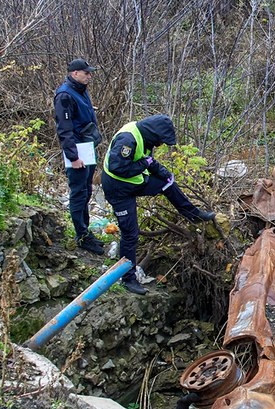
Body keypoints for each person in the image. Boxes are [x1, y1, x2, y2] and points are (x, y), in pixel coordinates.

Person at [101, 114, 215, 295]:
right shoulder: (128, 140)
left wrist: (163, 172)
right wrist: (143, 164)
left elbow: (148, 161)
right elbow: (117, 167)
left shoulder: (146, 138)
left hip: (134, 181)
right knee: (130, 233)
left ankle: (192, 214)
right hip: (117, 188)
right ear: (154, 134)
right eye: (160, 141)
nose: (160, 145)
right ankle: (128, 278)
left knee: (167, 182)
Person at [54, 58, 104, 255]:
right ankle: (81, 235)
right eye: (86, 73)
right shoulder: (65, 95)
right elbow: (64, 129)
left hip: (88, 146)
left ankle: (85, 231)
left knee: (87, 191)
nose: (89, 76)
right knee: (78, 193)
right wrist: (73, 157)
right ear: (75, 73)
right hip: (77, 150)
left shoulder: (81, 91)